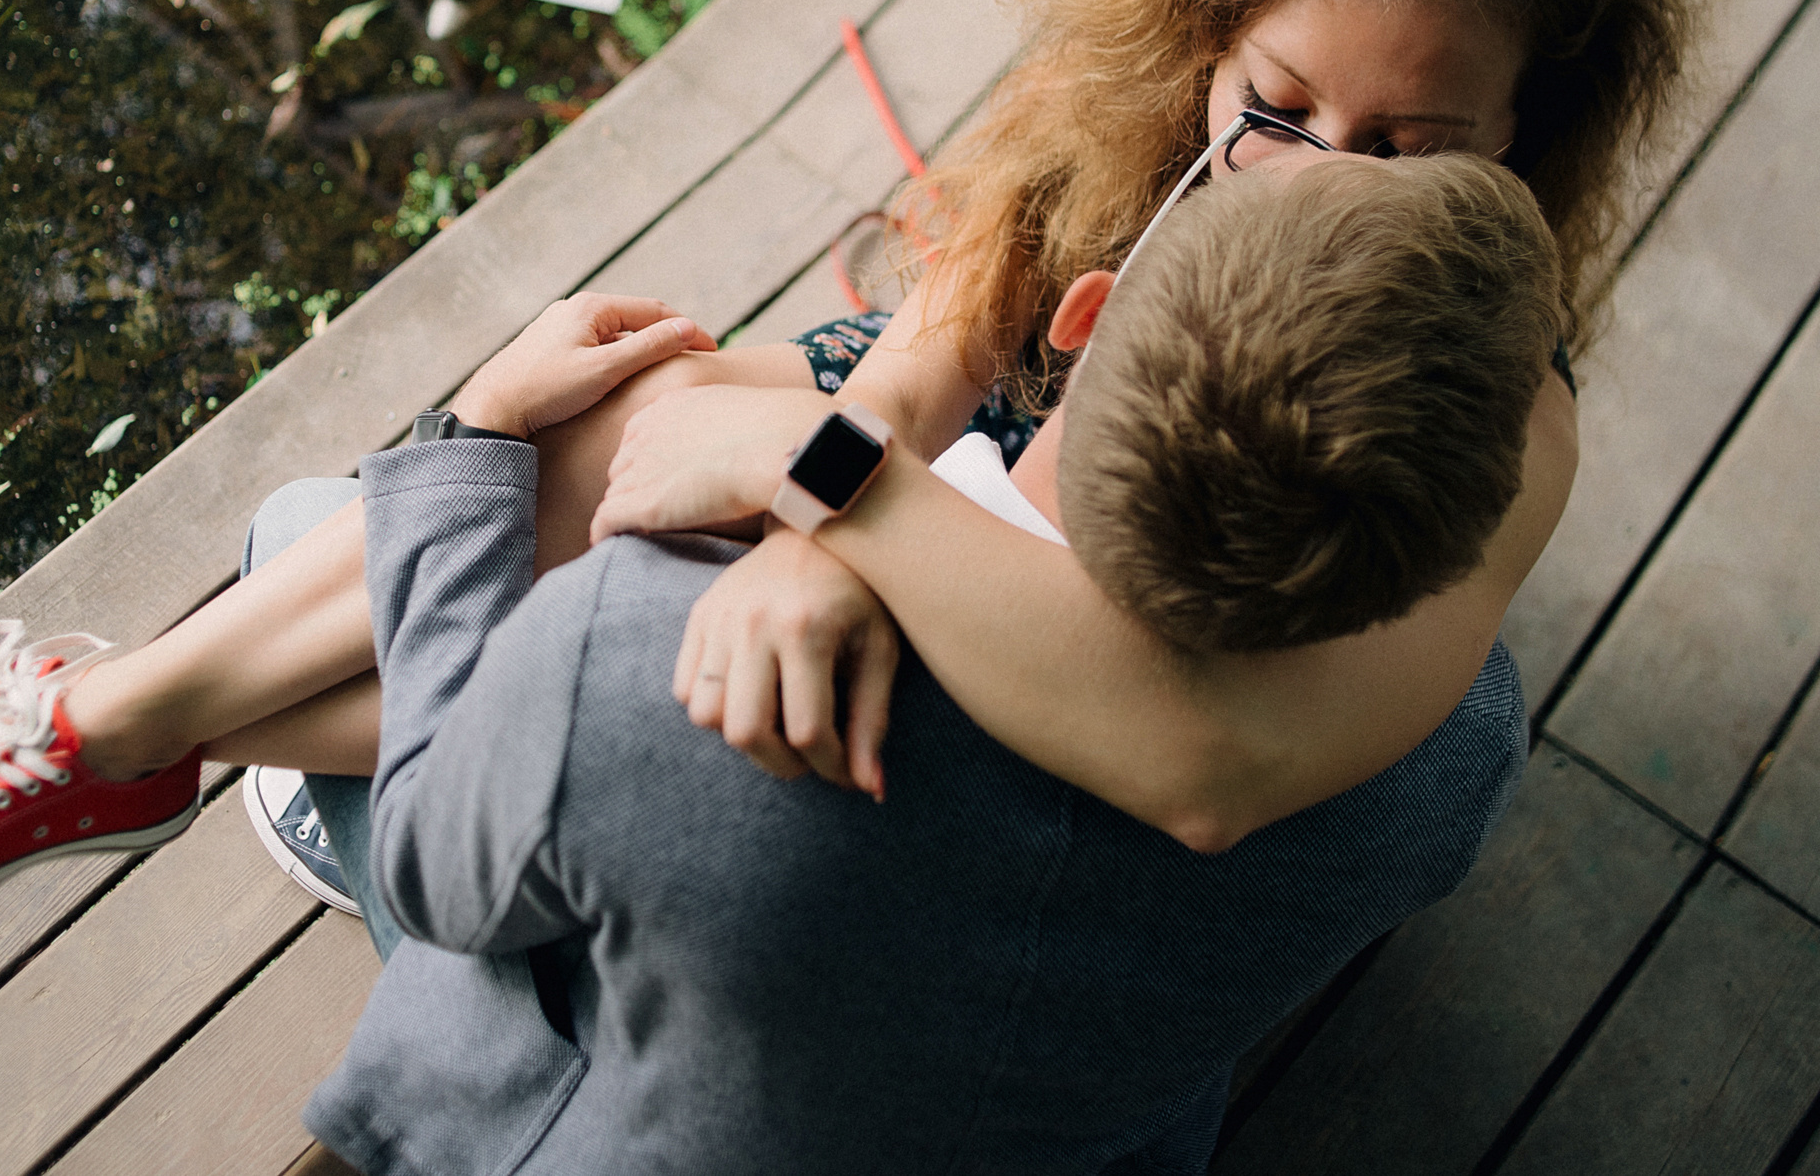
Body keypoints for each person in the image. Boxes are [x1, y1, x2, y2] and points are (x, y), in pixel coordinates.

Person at [0, 0, 1693, 926]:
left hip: (1154, 620)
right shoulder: (1126, 112)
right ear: (1213, 30)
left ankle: (102, 729)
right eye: (1274, 107)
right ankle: (113, 728)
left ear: (1523, 136)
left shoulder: (1503, 401)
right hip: (1005, 468)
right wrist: (863, 472)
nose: (1304, 173)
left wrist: (854, 536)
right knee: (651, 404)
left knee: (687, 619)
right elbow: (943, 340)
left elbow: (1209, 763)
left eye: (1408, 143)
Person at [297, 148, 1557, 1175]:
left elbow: (426, 862)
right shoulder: (1445, 772)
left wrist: (470, 434)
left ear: (1082, 316)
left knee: (305, 537)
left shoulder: (644, 642)